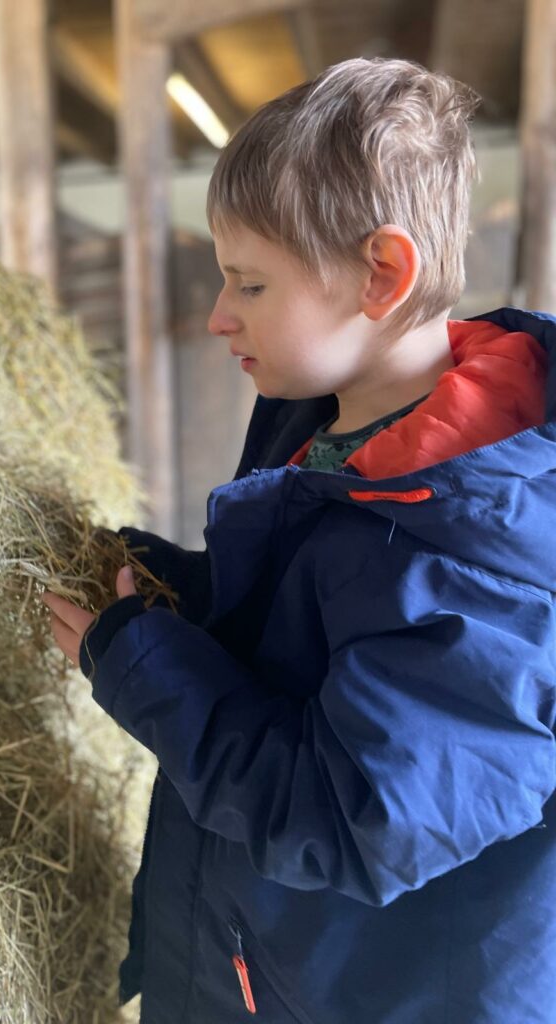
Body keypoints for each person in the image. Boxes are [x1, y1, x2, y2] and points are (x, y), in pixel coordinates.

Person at [42, 57, 556, 1024]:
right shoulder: (340, 424)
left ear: (380, 274)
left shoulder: (475, 557)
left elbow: (353, 822)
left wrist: (148, 673)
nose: (217, 315)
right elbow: (301, 630)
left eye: (250, 283)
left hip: (356, 992)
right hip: (265, 955)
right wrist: (164, 590)